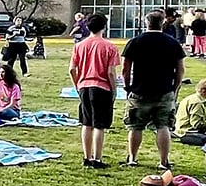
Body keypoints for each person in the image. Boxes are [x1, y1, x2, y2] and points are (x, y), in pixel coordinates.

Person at [121, 10, 185, 170]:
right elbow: (180, 70)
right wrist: (175, 88)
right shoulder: (172, 43)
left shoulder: (135, 42)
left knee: (135, 126)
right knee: (163, 126)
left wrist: (127, 86)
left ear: (145, 22)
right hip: (164, 90)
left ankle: (132, 158)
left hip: (139, 90)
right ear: (163, 23)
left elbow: (125, 69)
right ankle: (163, 161)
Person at [67, 13, 121, 168]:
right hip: (102, 87)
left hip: (84, 86)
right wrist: (114, 89)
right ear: (104, 26)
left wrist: (78, 85)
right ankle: (97, 159)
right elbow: (111, 72)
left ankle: (87, 157)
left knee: (86, 123)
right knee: (99, 125)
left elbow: (72, 69)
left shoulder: (79, 46)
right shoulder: (110, 47)